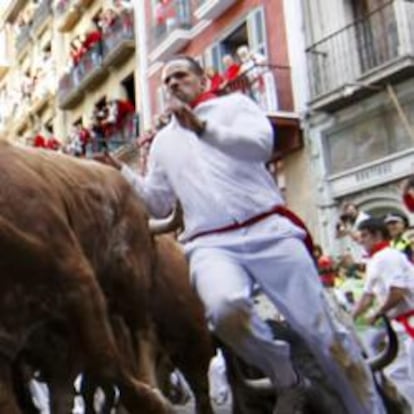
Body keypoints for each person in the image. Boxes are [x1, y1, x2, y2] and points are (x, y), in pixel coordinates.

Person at [95, 55, 386, 414]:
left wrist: (203, 129)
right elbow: (157, 202)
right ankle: (286, 377)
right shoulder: (162, 143)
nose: (171, 83)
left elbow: (260, 145)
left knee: (324, 334)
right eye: (166, 81)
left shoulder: (234, 106)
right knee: (225, 309)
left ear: (203, 80)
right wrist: (121, 174)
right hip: (211, 243)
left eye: (180, 75)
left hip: (269, 230)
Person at [352, 217, 414, 408]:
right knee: (397, 373)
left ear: (377, 235)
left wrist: (377, 313)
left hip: (410, 321)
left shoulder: (388, 256)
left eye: (364, 235)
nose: (360, 240)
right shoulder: (374, 260)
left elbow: (398, 291)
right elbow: (367, 296)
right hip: (398, 326)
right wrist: (350, 319)